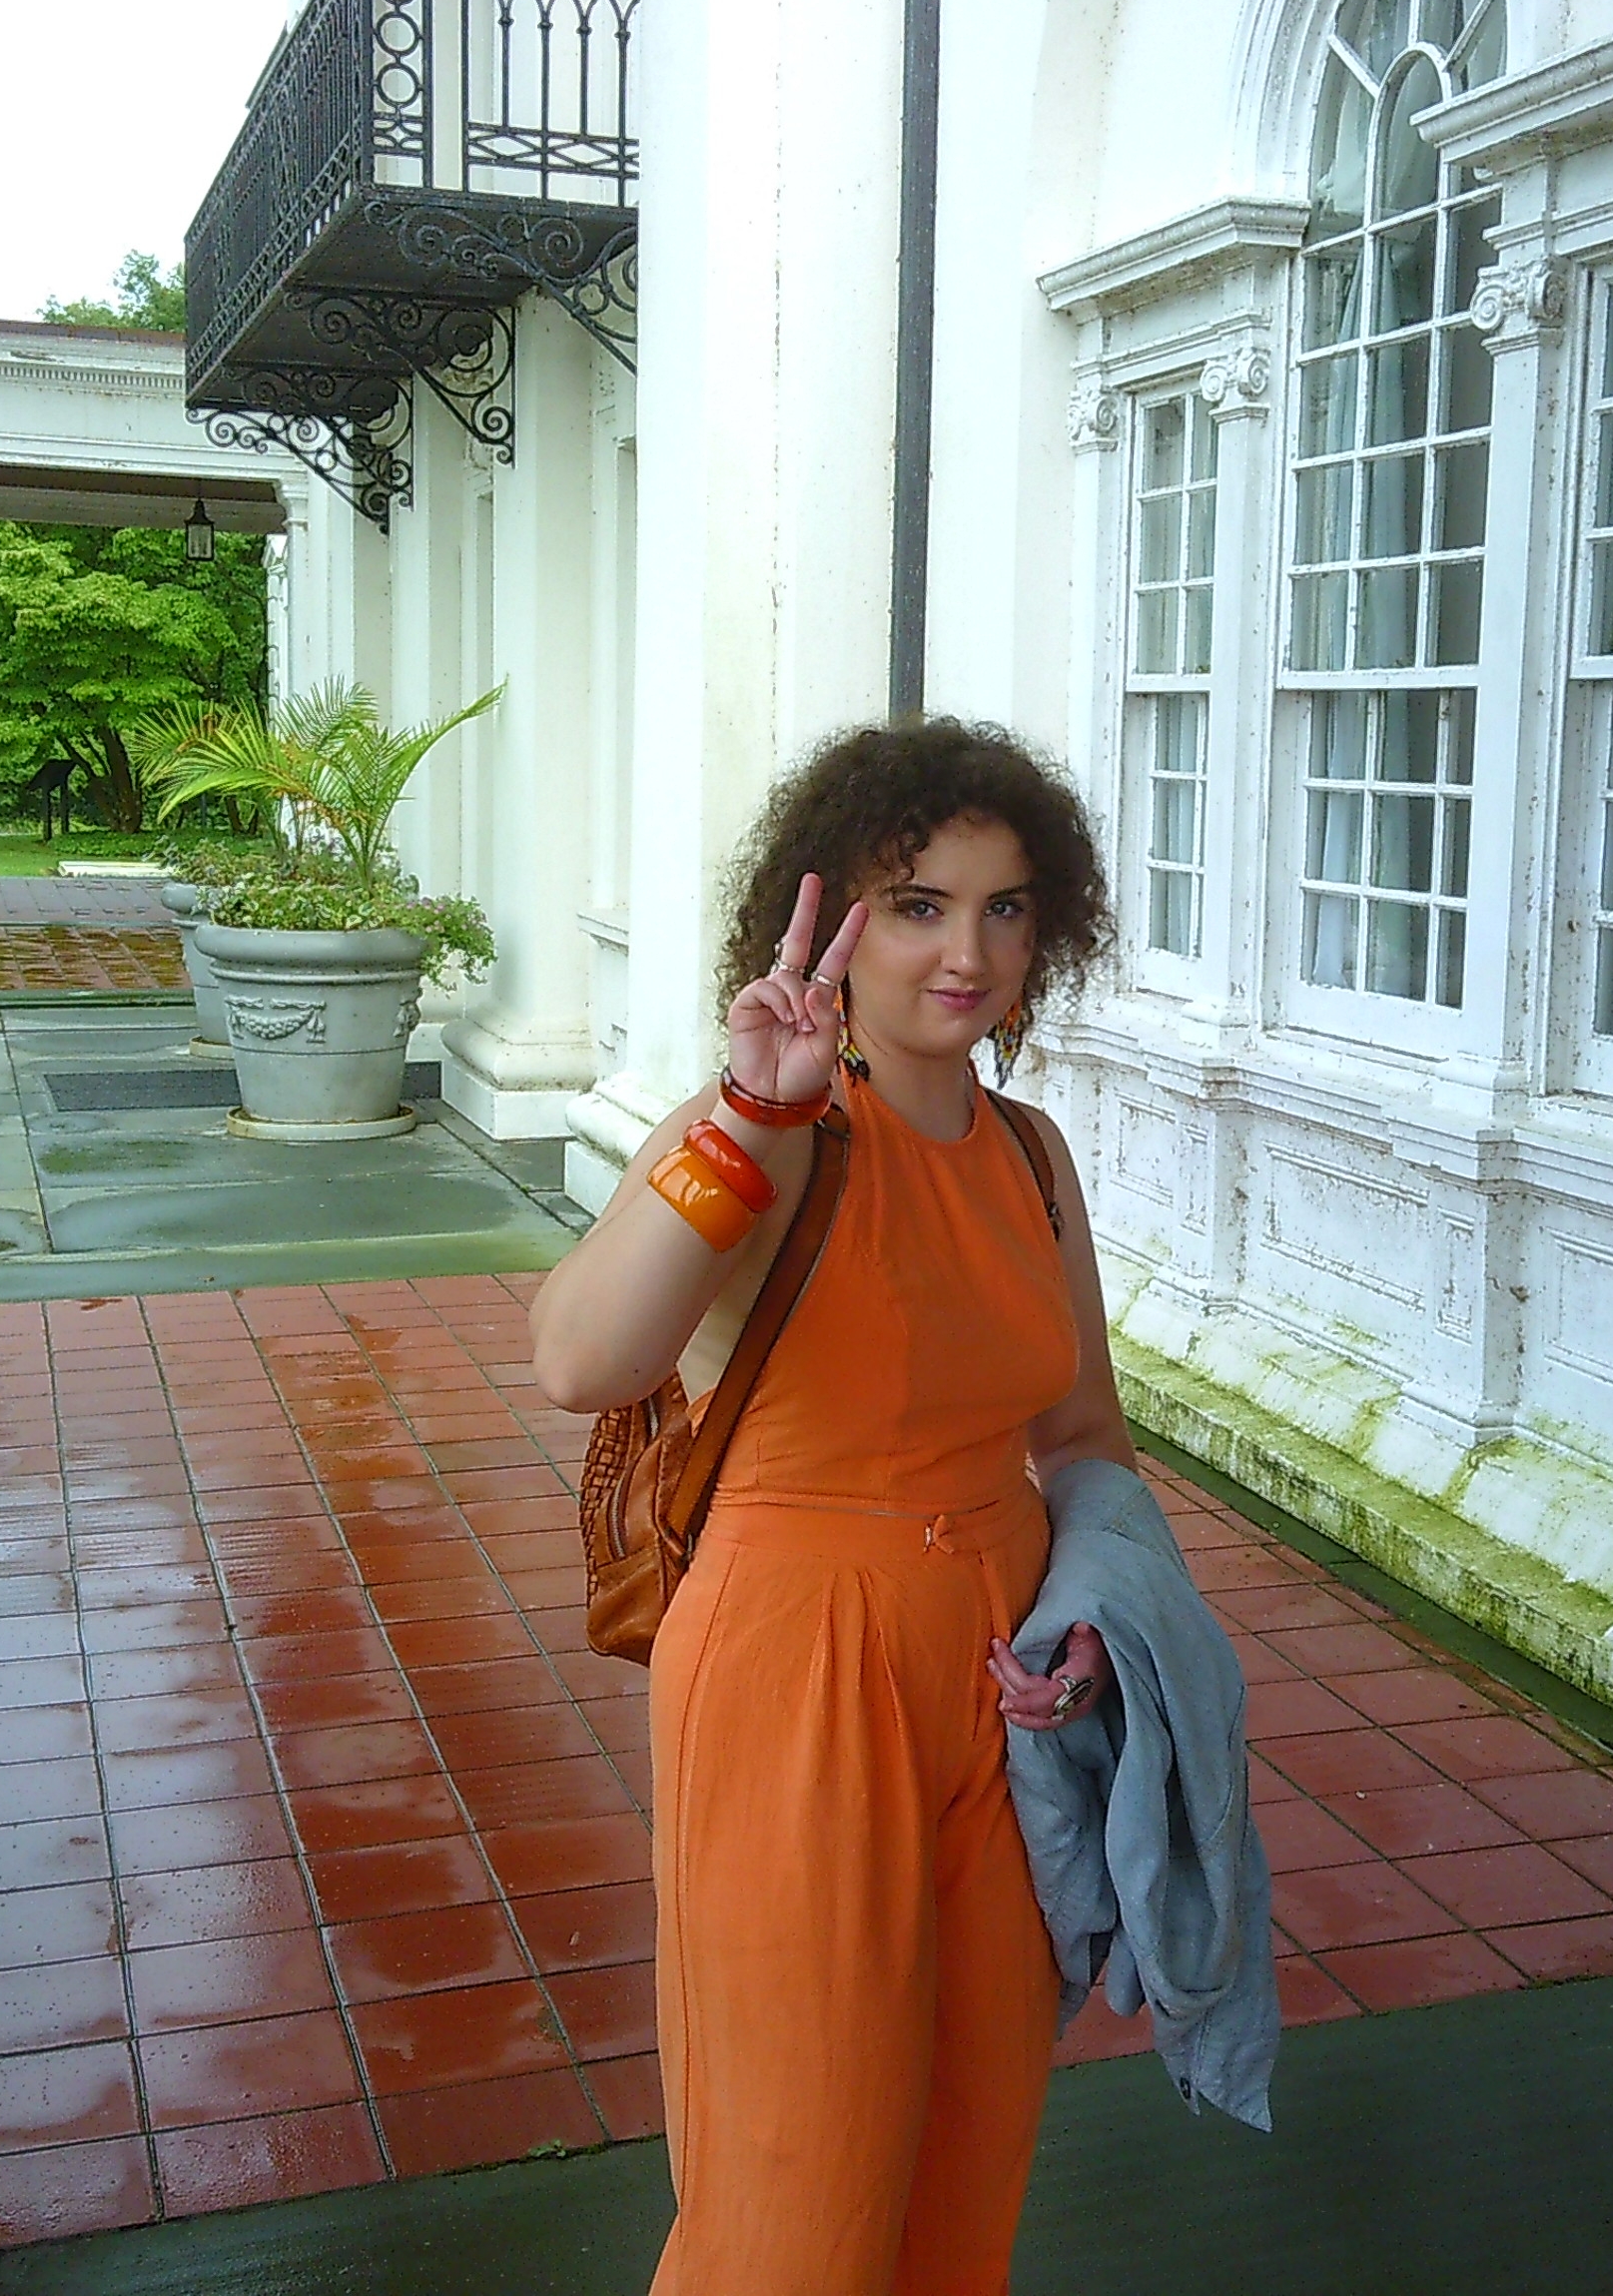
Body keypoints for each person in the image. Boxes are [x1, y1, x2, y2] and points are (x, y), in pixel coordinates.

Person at [530, 717, 1140, 2296]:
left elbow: (1082, 1432)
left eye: (1005, 908)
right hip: (798, 1662)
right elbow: (582, 1357)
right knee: (799, 2179)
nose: (967, 951)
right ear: (833, 921)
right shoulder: (777, 1132)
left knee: (970, 2142)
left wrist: (1099, 1618)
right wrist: (746, 1113)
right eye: (920, 903)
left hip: (1006, 1672)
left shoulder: (1033, 1156)